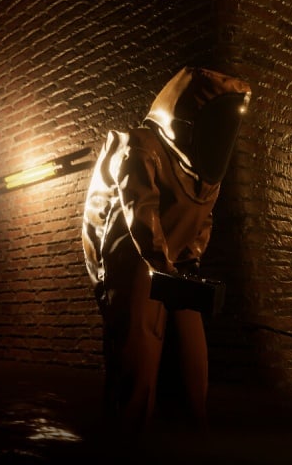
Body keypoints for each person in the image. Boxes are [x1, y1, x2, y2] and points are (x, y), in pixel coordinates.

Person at [81, 66, 252, 433]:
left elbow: (201, 219)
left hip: (173, 262)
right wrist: (161, 265)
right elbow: (140, 210)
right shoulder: (140, 145)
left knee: (191, 348)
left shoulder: (207, 167)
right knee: (139, 347)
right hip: (131, 258)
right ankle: (128, 434)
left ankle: (190, 423)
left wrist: (190, 264)